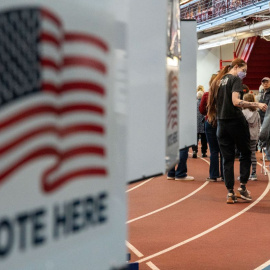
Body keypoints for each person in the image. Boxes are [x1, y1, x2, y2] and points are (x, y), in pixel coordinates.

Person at [207, 58, 267, 204]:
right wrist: (256, 104)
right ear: (236, 67)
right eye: (244, 70)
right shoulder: (235, 80)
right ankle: (242, 188)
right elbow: (236, 101)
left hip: (221, 124)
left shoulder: (217, 82)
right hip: (235, 122)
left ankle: (230, 192)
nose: (244, 74)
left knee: (227, 159)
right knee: (246, 153)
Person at [199, 74, 223, 182]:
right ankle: (224, 175)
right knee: (223, 150)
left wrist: (209, 112)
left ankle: (213, 175)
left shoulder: (206, 95)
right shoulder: (224, 94)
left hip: (210, 121)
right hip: (222, 122)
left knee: (213, 150)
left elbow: (202, 110)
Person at [242, 93, 261, 181]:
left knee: (244, 155)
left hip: (245, 136)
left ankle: (244, 175)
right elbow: (259, 125)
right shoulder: (256, 113)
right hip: (254, 136)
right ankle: (254, 173)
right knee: (252, 154)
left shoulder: (242, 112)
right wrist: (257, 134)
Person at [192, 90, 208, 158]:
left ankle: (194, 151)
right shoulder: (205, 103)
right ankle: (203, 152)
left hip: (195, 124)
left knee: (195, 139)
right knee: (204, 139)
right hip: (203, 123)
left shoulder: (193, 103)